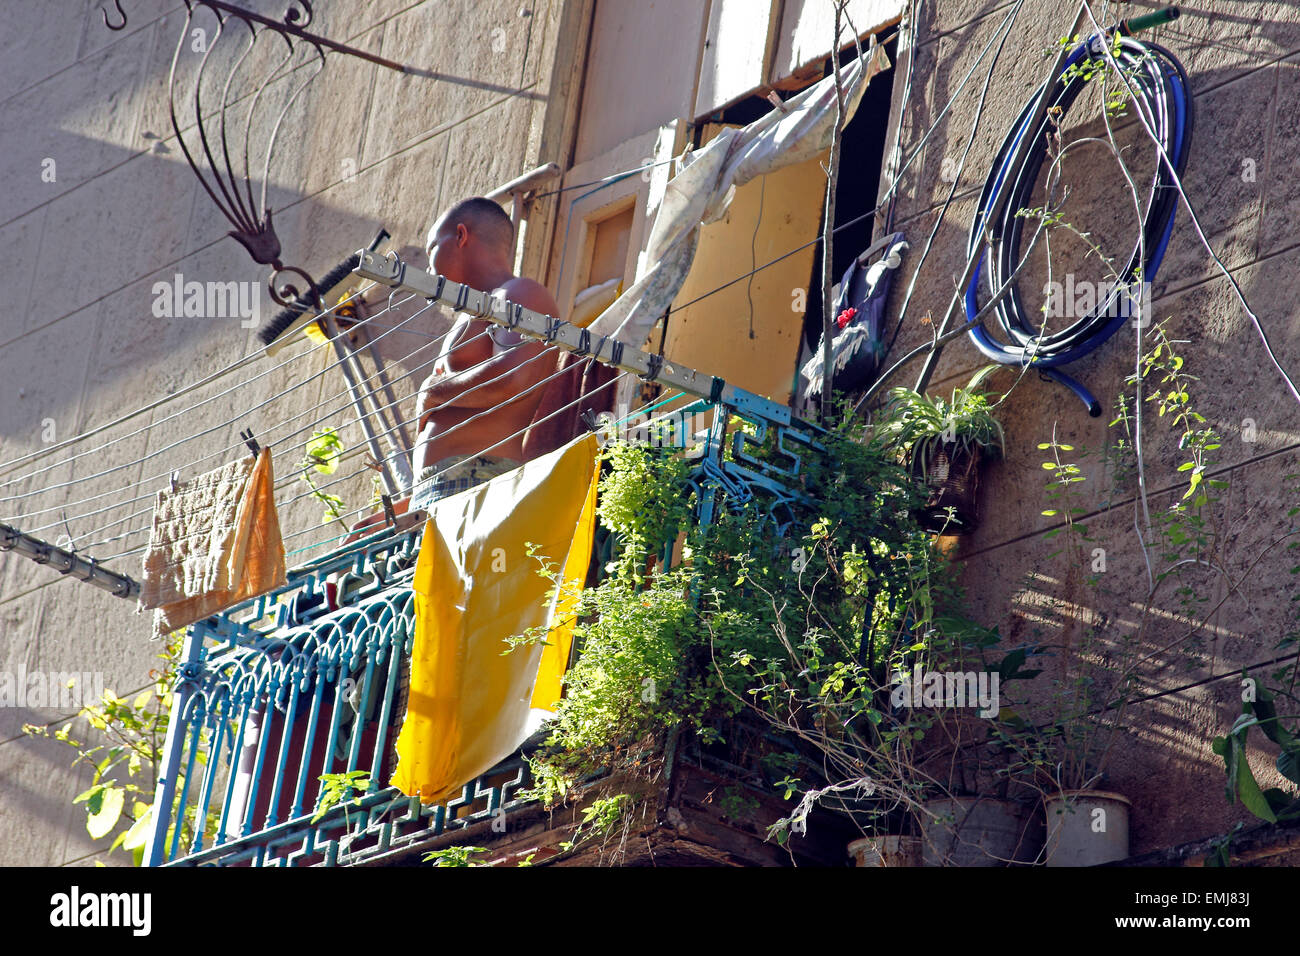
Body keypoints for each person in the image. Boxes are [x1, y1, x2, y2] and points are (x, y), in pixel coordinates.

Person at [347, 197, 560, 539]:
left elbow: (513, 377)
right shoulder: (474, 313)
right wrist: (401, 510)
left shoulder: (519, 292)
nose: (429, 271)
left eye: (433, 248)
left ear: (461, 236)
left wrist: (434, 392)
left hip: (477, 483)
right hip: (441, 490)